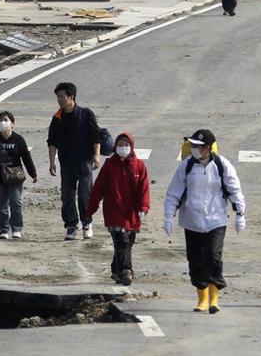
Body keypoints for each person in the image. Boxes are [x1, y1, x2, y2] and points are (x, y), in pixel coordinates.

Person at [163, 128, 246, 315]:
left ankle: (214, 299)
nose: (194, 149)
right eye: (192, 145)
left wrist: (240, 213)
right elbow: (174, 192)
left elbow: (234, 189)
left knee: (213, 257)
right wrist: (169, 216)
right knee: (195, 261)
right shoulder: (186, 166)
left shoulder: (222, 165)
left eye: (198, 146)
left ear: (208, 148)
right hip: (191, 221)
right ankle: (202, 299)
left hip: (216, 220)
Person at [88, 131, 150, 285]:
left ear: (131, 147)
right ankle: (127, 271)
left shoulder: (139, 166)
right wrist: (90, 210)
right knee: (121, 242)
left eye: (126, 145)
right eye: (120, 145)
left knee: (128, 242)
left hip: (132, 213)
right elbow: (98, 189)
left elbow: (144, 188)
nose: (123, 148)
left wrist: (143, 207)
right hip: (114, 211)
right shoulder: (110, 165)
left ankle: (116, 269)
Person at [47, 82, 102, 240]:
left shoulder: (85, 114)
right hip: (66, 163)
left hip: (84, 161)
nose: (59, 100)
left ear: (71, 97)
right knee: (67, 196)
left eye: (62, 96)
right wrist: (52, 162)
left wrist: (96, 155)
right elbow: (52, 142)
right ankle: (71, 226)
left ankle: (87, 223)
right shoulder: (57, 118)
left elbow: (95, 136)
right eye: (57, 97)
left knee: (85, 194)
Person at [0, 111, 38, 240]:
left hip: (15, 176)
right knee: (2, 204)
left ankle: (16, 229)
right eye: (1, 120)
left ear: (12, 123)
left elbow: (26, 157)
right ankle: (3, 229)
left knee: (15, 202)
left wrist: (33, 173)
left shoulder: (18, 139)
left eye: (6, 120)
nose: (3, 123)